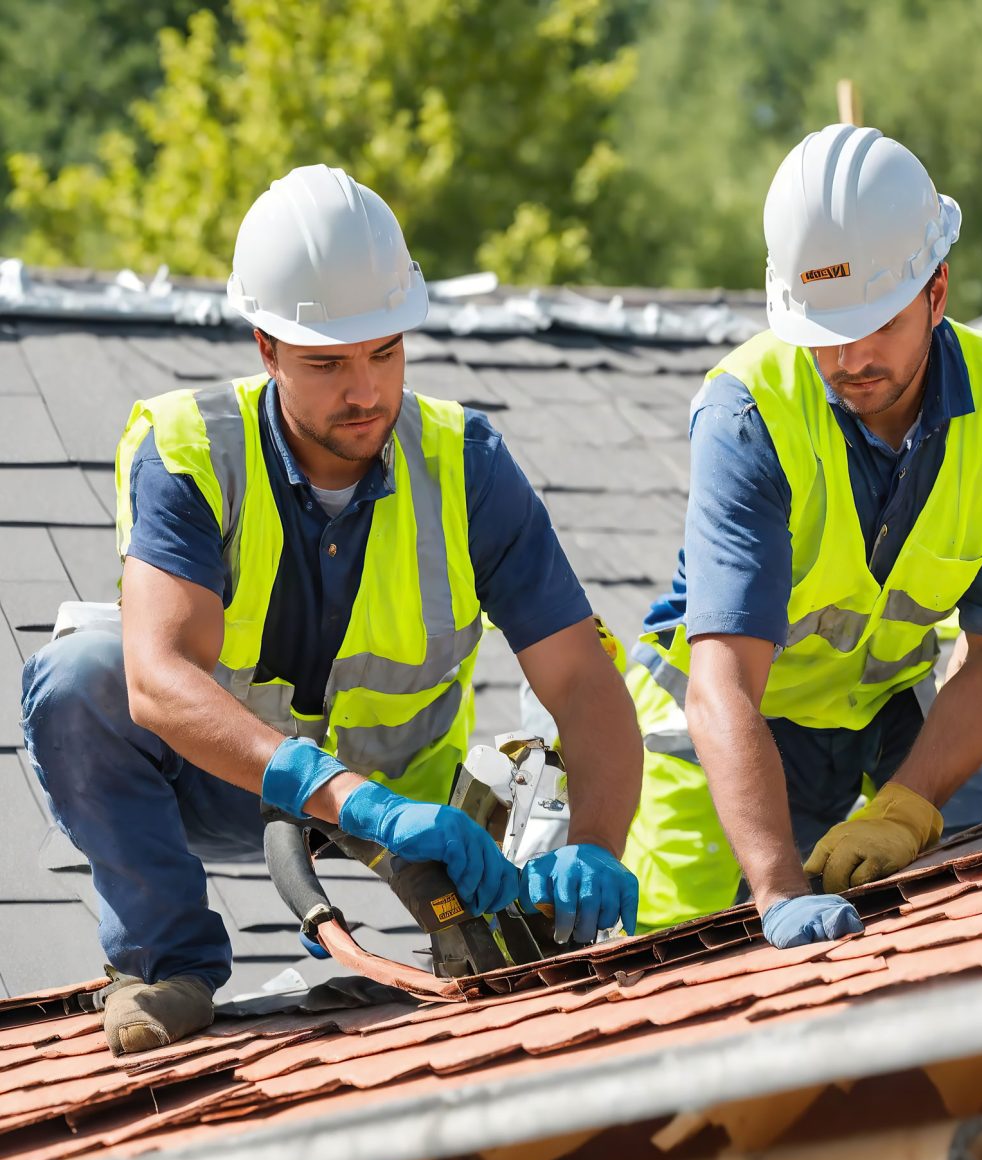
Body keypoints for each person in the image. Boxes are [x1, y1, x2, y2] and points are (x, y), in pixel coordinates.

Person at [21, 165, 642, 1055]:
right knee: (80, 679)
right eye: (328, 362)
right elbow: (157, 683)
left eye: (385, 351)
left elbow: (582, 681)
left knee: (528, 987)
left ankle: (484, 951)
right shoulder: (189, 449)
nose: (366, 391)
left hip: (420, 812)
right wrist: (350, 802)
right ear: (266, 347)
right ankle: (166, 965)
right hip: (227, 780)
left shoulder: (466, 463)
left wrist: (597, 842)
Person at [620, 124, 982, 949]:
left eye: (878, 322)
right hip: (714, 737)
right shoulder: (748, 413)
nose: (851, 356)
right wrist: (780, 889)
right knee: (673, 979)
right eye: (825, 329)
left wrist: (906, 807)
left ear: (938, 293)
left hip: (879, 718)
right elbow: (721, 686)